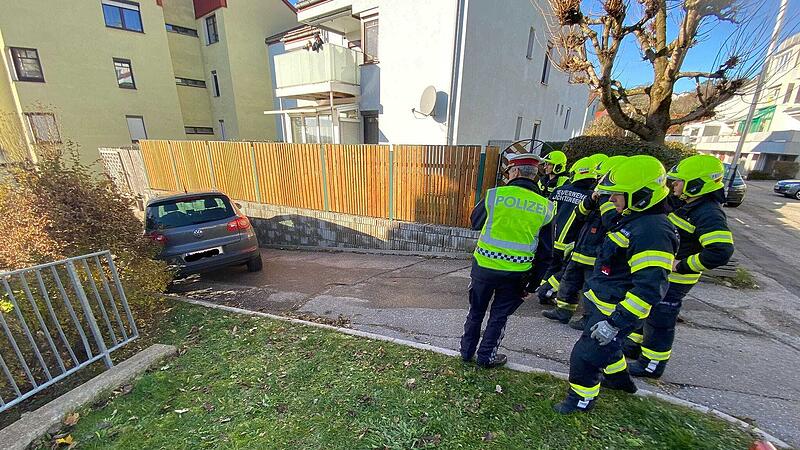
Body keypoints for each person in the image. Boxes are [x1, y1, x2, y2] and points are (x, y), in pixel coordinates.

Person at [554, 155, 679, 414]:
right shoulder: (635, 219)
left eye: (617, 195)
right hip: (605, 304)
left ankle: (580, 401)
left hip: (616, 312)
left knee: (585, 356)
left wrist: (615, 323)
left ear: (641, 195)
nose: (611, 200)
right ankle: (620, 382)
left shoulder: (653, 232)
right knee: (608, 350)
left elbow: (649, 288)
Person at [625, 155, 734, 378]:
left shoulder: (709, 213)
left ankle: (652, 364)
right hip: (665, 275)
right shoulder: (688, 204)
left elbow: (721, 251)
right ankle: (635, 346)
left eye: (679, 181)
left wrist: (682, 265)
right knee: (647, 310)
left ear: (697, 184)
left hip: (677, 279)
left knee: (660, 319)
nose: (674, 185)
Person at [461, 153, 556, 368]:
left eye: (509, 172)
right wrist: (533, 284)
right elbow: (546, 252)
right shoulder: (546, 207)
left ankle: (466, 352)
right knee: (499, 316)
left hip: (484, 268)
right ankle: (486, 357)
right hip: (517, 274)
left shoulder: (495, 195)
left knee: (475, 312)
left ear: (515, 172)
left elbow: (475, 222)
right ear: (534, 175)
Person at [542, 155, 625, 326]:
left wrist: (604, 201)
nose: (598, 182)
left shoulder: (616, 204)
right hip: (580, 249)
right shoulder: (593, 196)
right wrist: (591, 199)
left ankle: (588, 318)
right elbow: (579, 214)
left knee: (590, 289)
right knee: (568, 282)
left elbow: (610, 222)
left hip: (596, 255)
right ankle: (563, 310)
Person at [536, 156, 597, 305]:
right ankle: (547, 291)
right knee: (566, 272)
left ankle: (542, 291)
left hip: (551, 239)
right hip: (571, 243)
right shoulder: (590, 197)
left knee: (550, 267)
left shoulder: (559, 190)